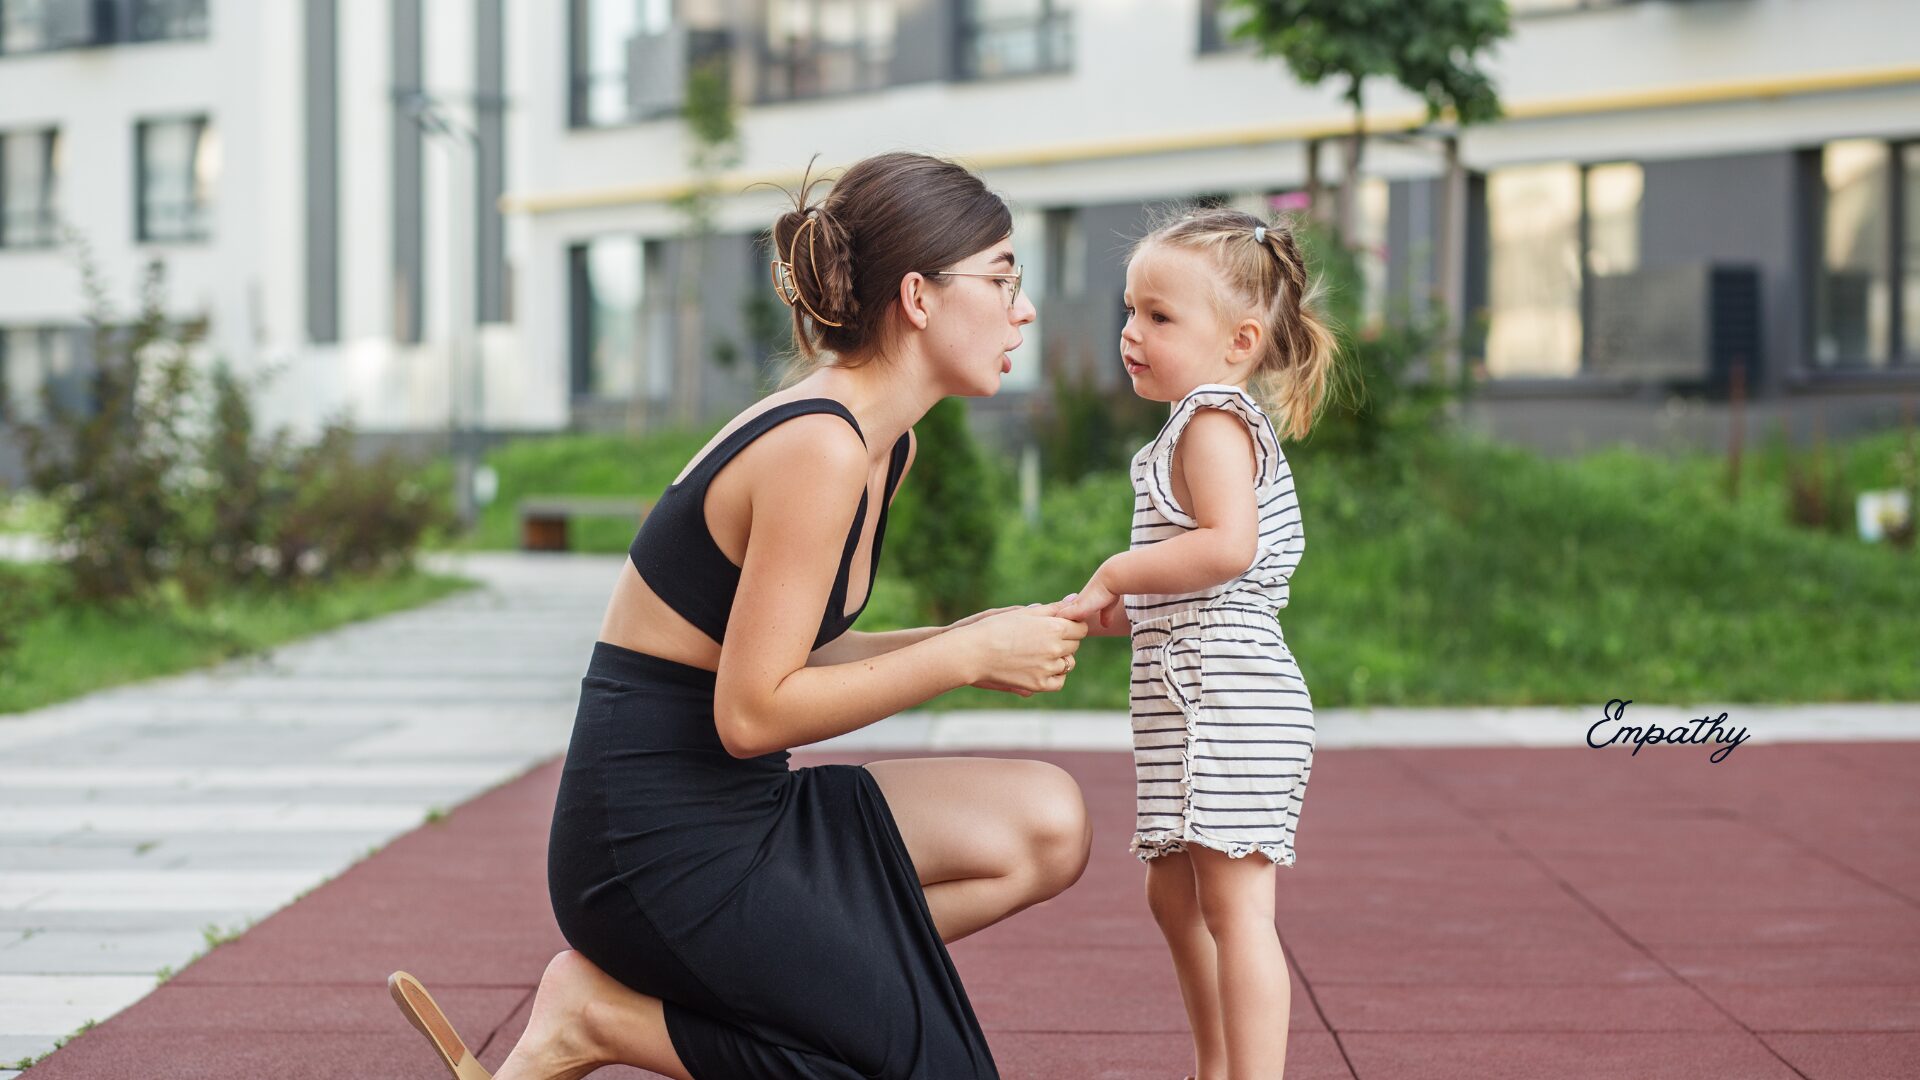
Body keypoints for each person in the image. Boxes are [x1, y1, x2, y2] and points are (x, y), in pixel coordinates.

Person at [388, 151, 1092, 1080]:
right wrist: (964, 660)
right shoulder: (819, 448)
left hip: (741, 812)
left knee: (1049, 825)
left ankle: (756, 985)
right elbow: (753, 712)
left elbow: (807, 657)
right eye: (1003, 278)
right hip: (650, 847)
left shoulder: (887, 445)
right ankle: (602, 1019)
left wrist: (981, 634)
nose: (1024, 309)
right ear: (919, 296)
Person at [1055, 207, 1338, 1080]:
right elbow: (1199, 564)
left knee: (1234, 904)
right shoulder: (1191, 421)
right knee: (1175, 893)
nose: (1131, 333)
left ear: (1239, 341)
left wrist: (1122, 567)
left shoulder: (1214, 419)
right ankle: (1214, 1065)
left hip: (1235, 700)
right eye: (1131, 311)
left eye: (1160, 317)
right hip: (1195, 699)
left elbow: (1228, 545)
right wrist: (1127, 601)